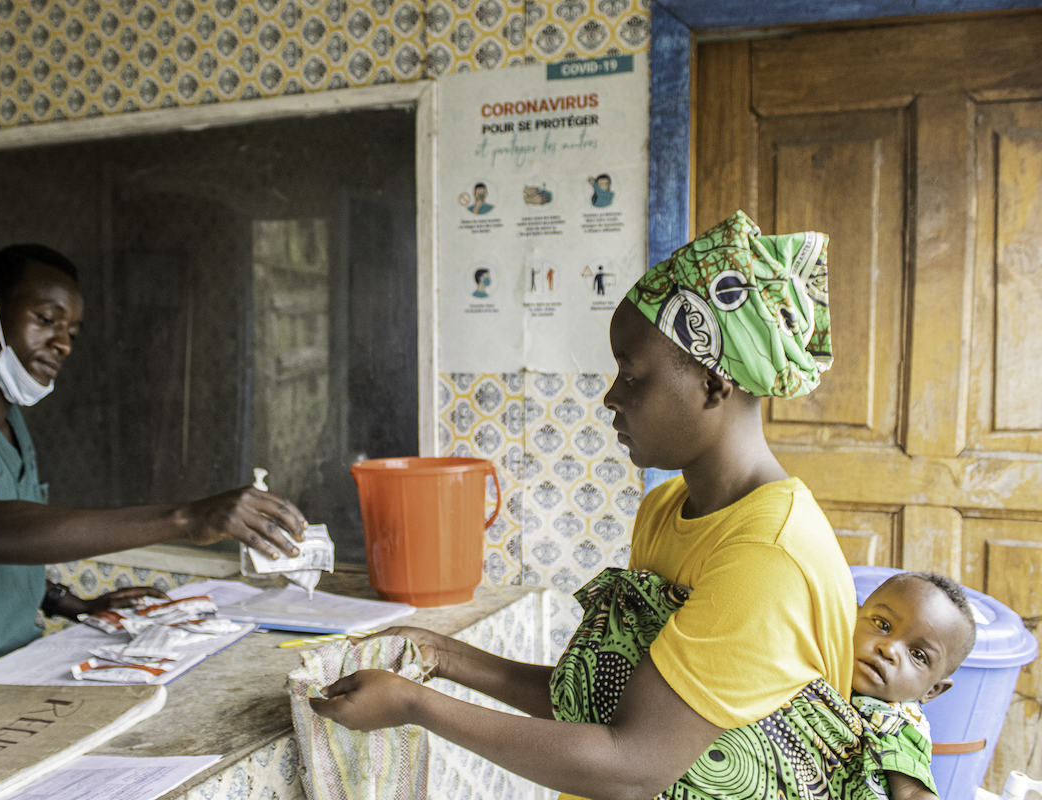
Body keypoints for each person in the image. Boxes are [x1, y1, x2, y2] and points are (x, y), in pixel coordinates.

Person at [312, 210, 853, 800]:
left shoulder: (767, 559)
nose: (610, 396)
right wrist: (440, 654)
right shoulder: (668, 508)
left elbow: (633, 765)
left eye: (632, 376)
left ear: (713, 386)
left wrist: (416, 704)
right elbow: (609, 703)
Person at [0, 244, 308, 698]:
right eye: (46, 320)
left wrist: (70, 603)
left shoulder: (9, 424)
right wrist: (186, 517)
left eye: (72, 332)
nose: (62, 344)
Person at [851, 571, 977, 800]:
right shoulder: (824, 656)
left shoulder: (896, 722)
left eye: (918, 655)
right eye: (882, 625)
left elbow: (913, 793)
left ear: (932, 690)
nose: (889, 650)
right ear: (853, 614)